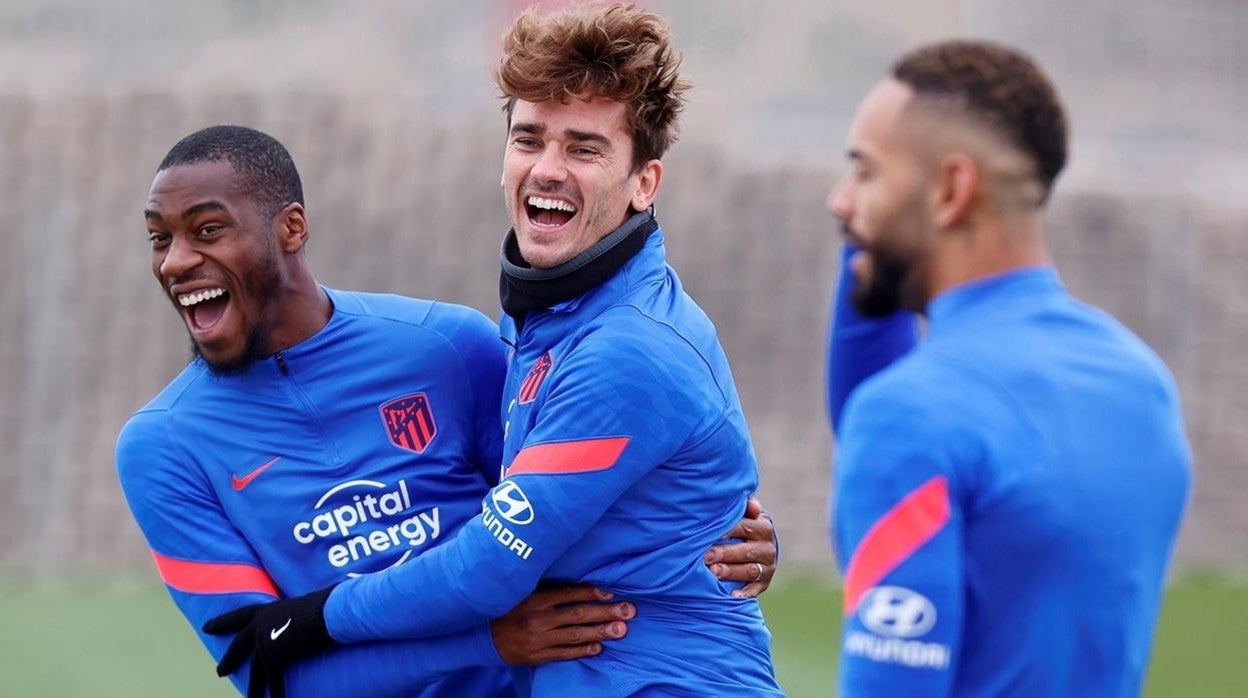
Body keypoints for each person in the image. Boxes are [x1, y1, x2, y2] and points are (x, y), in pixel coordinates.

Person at [205, 4, 783, 697]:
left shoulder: (626, 351)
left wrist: (314, 617)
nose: (547, 169)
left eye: (584, 147)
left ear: (644, 184)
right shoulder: (555, 316)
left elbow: (490, 567)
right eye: (529, 139)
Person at [824, 40, 1192, 696]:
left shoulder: (912, 414)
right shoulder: (1141, 384)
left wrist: (876, 240)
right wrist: (879, 238)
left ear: (951, 189)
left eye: (865, 172)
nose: (840, 201)